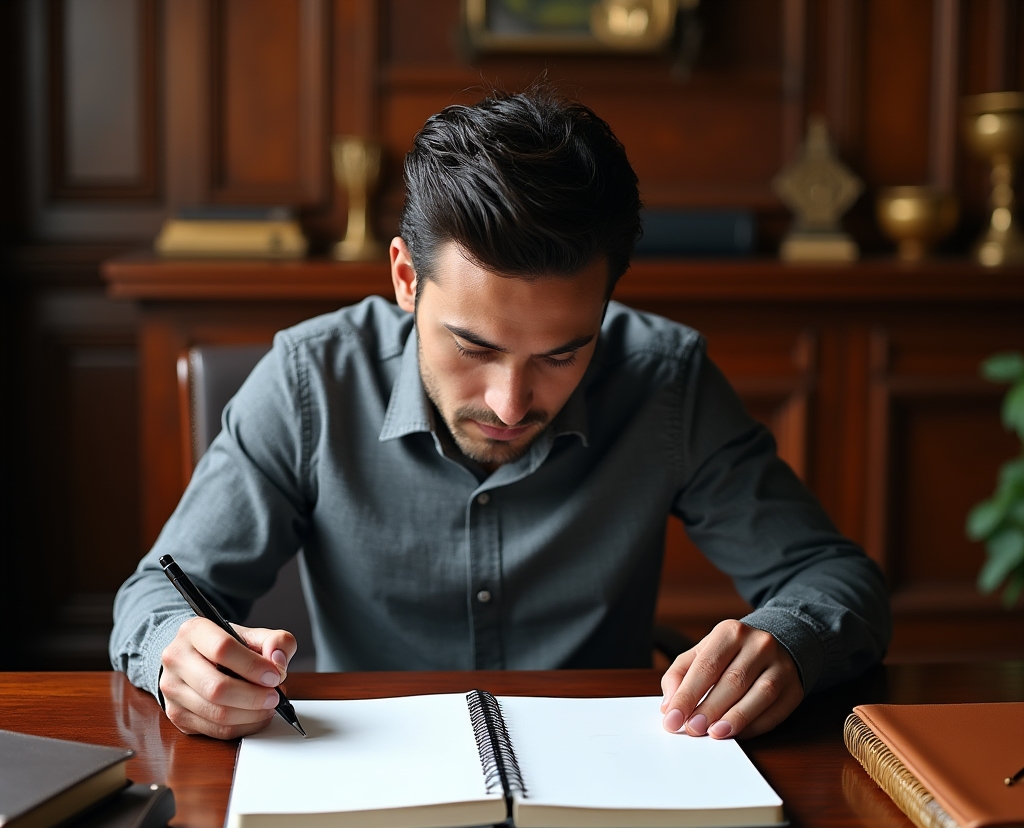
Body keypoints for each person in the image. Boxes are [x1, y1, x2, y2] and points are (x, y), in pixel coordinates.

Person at [110, 87, 890, 742]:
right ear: (406, 278)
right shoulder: (311, 378)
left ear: (607, 304)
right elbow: (154, 598)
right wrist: (179, 652)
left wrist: (788, 640)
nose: (511, 405)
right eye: (474, 347)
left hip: (603, 777)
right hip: (364, 779)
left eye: (561, 353)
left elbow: (834, 577)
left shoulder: (665, 381)